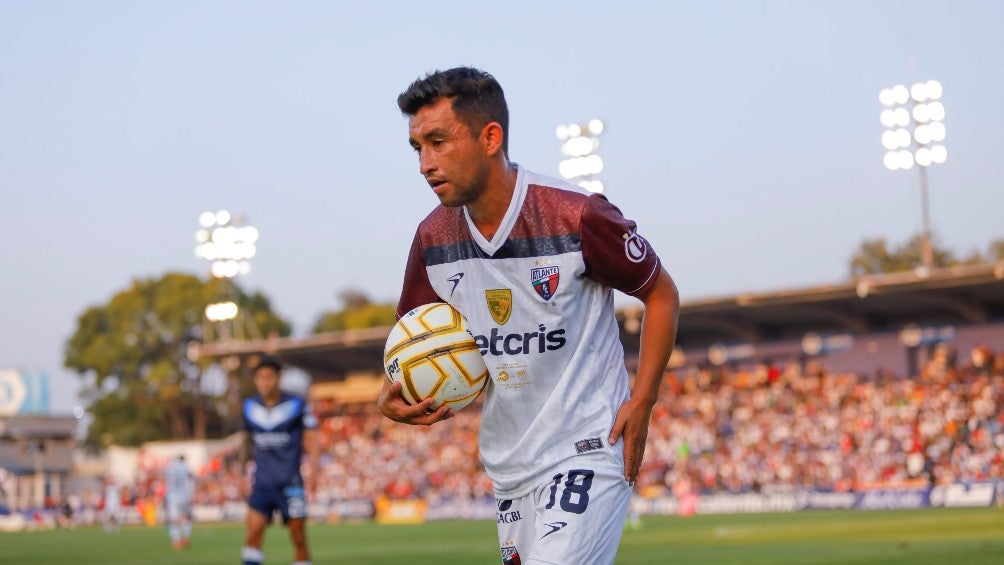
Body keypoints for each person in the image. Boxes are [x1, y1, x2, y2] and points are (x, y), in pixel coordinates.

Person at [378, 67, 680, 564]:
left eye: (438, 141)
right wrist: (390, 395)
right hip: (510, 465)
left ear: (490, 137)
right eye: (417, 148)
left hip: (587, 446)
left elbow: (661, 293)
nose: (425, 164)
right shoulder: (432, 238)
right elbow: (411, 340)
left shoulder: (576, 215)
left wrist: (643, 400)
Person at [241, 356, 319, 565]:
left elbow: (312, 439)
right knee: (253, 534)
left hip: (290, 483)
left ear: (278, 378)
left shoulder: (296, 404)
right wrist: (242, 473)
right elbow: (246, 441)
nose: (264, 382)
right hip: (262, 483)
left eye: (269, 377)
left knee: (299, 538)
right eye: (260, 378)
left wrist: (313, 472)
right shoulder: (249, 406)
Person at [163, 454, 195, 549]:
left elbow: (166, 479)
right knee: (186, 517)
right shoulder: (185, 466)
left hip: (172, 496)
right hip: (184, 495)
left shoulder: (170, 467)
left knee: (173, 520)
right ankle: (186, 537)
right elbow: (190, 478)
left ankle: (176, 541)